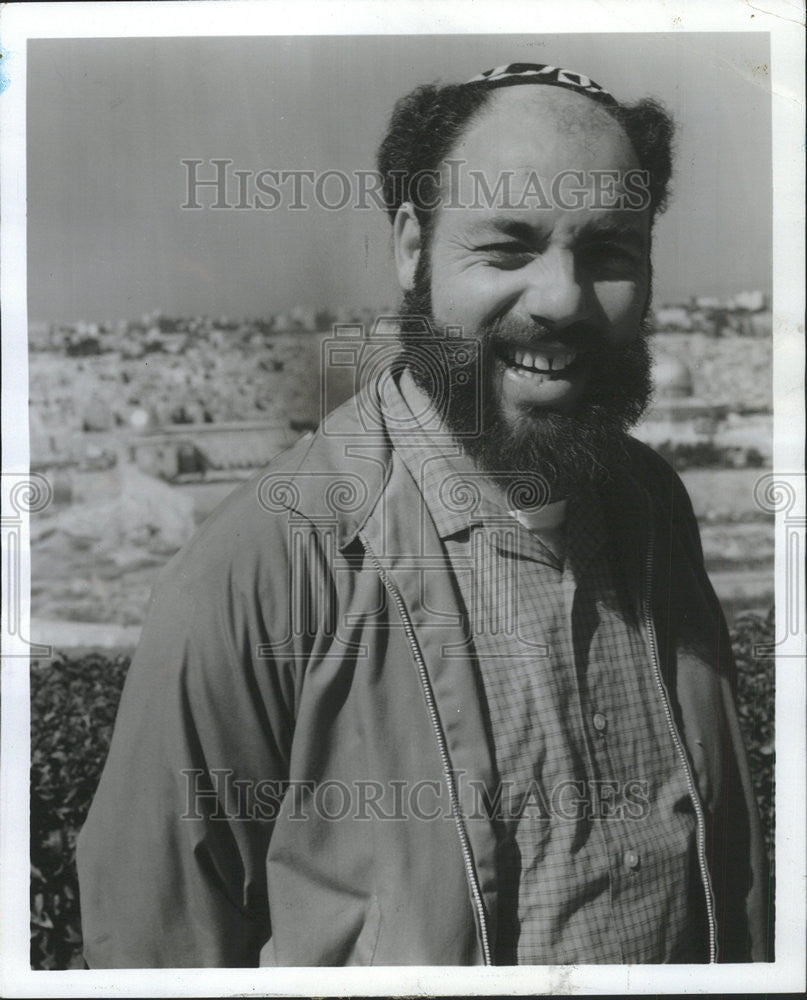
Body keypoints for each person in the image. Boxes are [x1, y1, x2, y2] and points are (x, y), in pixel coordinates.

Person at [77, 62, 771, 967]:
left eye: (607, 252)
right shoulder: (268, 563)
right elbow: (154, 944)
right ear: (412, 247)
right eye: (506, 247)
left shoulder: (648, 503)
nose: (560, 299)